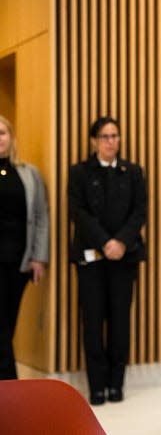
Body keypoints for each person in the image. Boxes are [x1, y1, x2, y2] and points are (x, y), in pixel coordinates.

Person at [68, 117, 147, 405]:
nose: (111, 141)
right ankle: (97, 386)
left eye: (115, 135)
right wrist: (105, 242)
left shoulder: (132, 171)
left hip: (124, 258)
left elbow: (139, 211)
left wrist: (121, 242)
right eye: (104, 136)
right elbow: (78, 212)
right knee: (92, 321)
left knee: (120, 322)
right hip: (91, 259)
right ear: (94, 141)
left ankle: (116, 384)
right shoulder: (79, 172)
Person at [0, 115, 49, 380]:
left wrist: (39, 257)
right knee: (1, 327)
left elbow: (41, 216)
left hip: (19, 261)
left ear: (11, 137)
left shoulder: (29, 173)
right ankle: (10, 385)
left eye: (2, 133)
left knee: (8, 322)